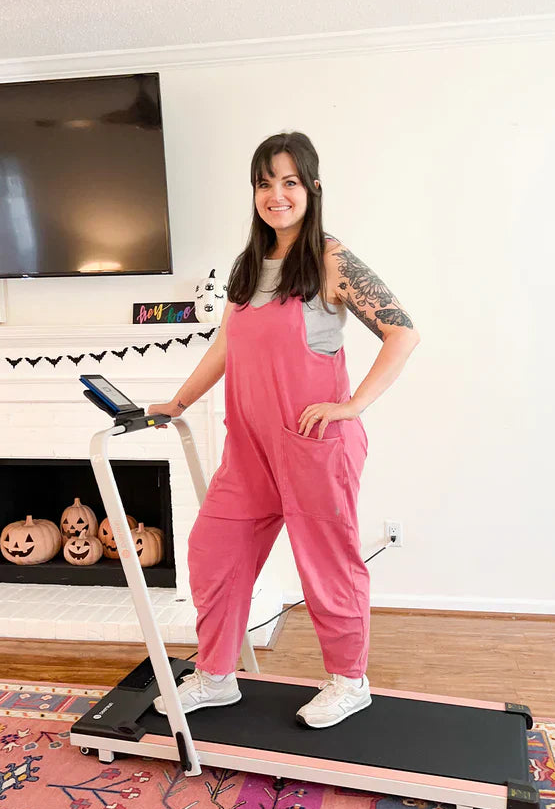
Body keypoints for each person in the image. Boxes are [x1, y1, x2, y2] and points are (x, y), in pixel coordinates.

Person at [149, 131, 420, 729]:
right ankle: (216, 676)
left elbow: (402, 332)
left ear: (312, 188)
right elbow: (227, 345)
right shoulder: (249, 265)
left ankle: (350, 682)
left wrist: (352, 405)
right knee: (213, 550)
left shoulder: (331, 258)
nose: (276, 194)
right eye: (264, 183)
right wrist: (177, 402)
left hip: (314, 446)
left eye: (289, 181)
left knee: (327, 565)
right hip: (250, 448)